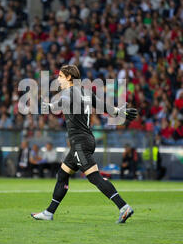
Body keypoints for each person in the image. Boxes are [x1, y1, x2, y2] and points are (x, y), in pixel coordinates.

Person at [31, 64, 138, 223]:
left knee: (95, 178)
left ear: (69, 77)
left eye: (60, 76)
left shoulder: (68, 92)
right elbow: (105, 107)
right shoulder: (86, 93)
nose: (58, 80)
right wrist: (120, 112)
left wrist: (51, 106)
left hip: (79, 143)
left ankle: (124, 207)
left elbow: (62, 102)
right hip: (84, 140)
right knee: (62, 174)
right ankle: (49, 212)